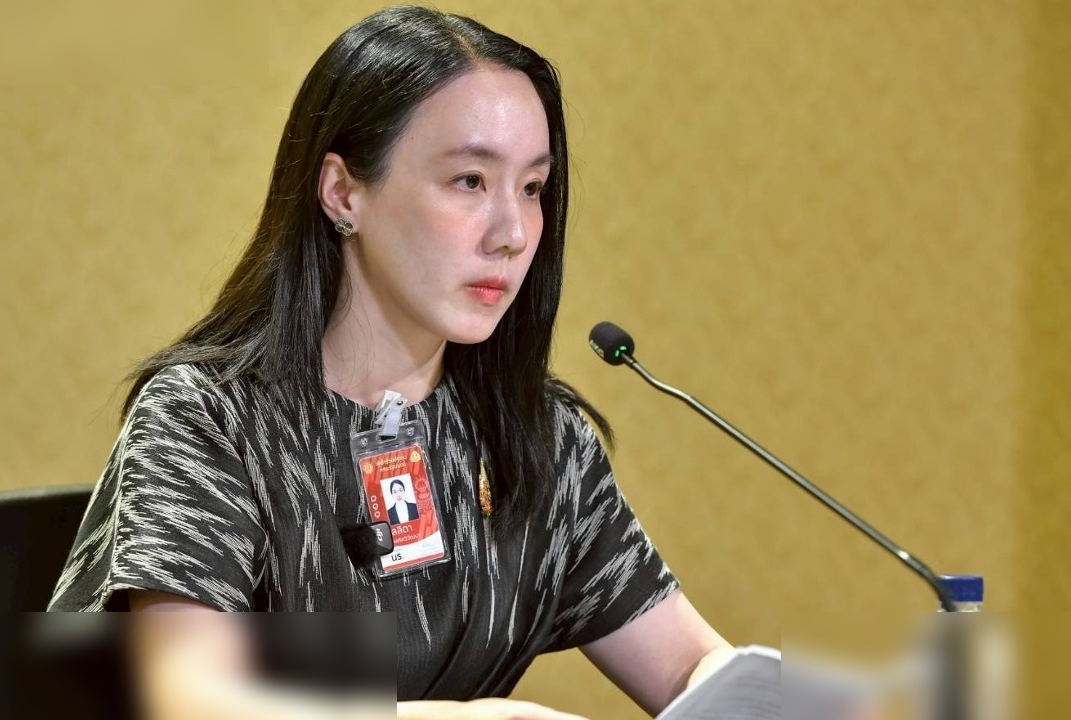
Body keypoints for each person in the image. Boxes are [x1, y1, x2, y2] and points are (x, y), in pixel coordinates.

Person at [47, 5, 732, 719]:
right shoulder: (206, 416)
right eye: (470, 180)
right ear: (343, 192)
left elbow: (689, 667)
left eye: (532, 188)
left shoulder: (536, 434)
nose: (512, 233)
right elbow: (191, 699)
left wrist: (758, 687)